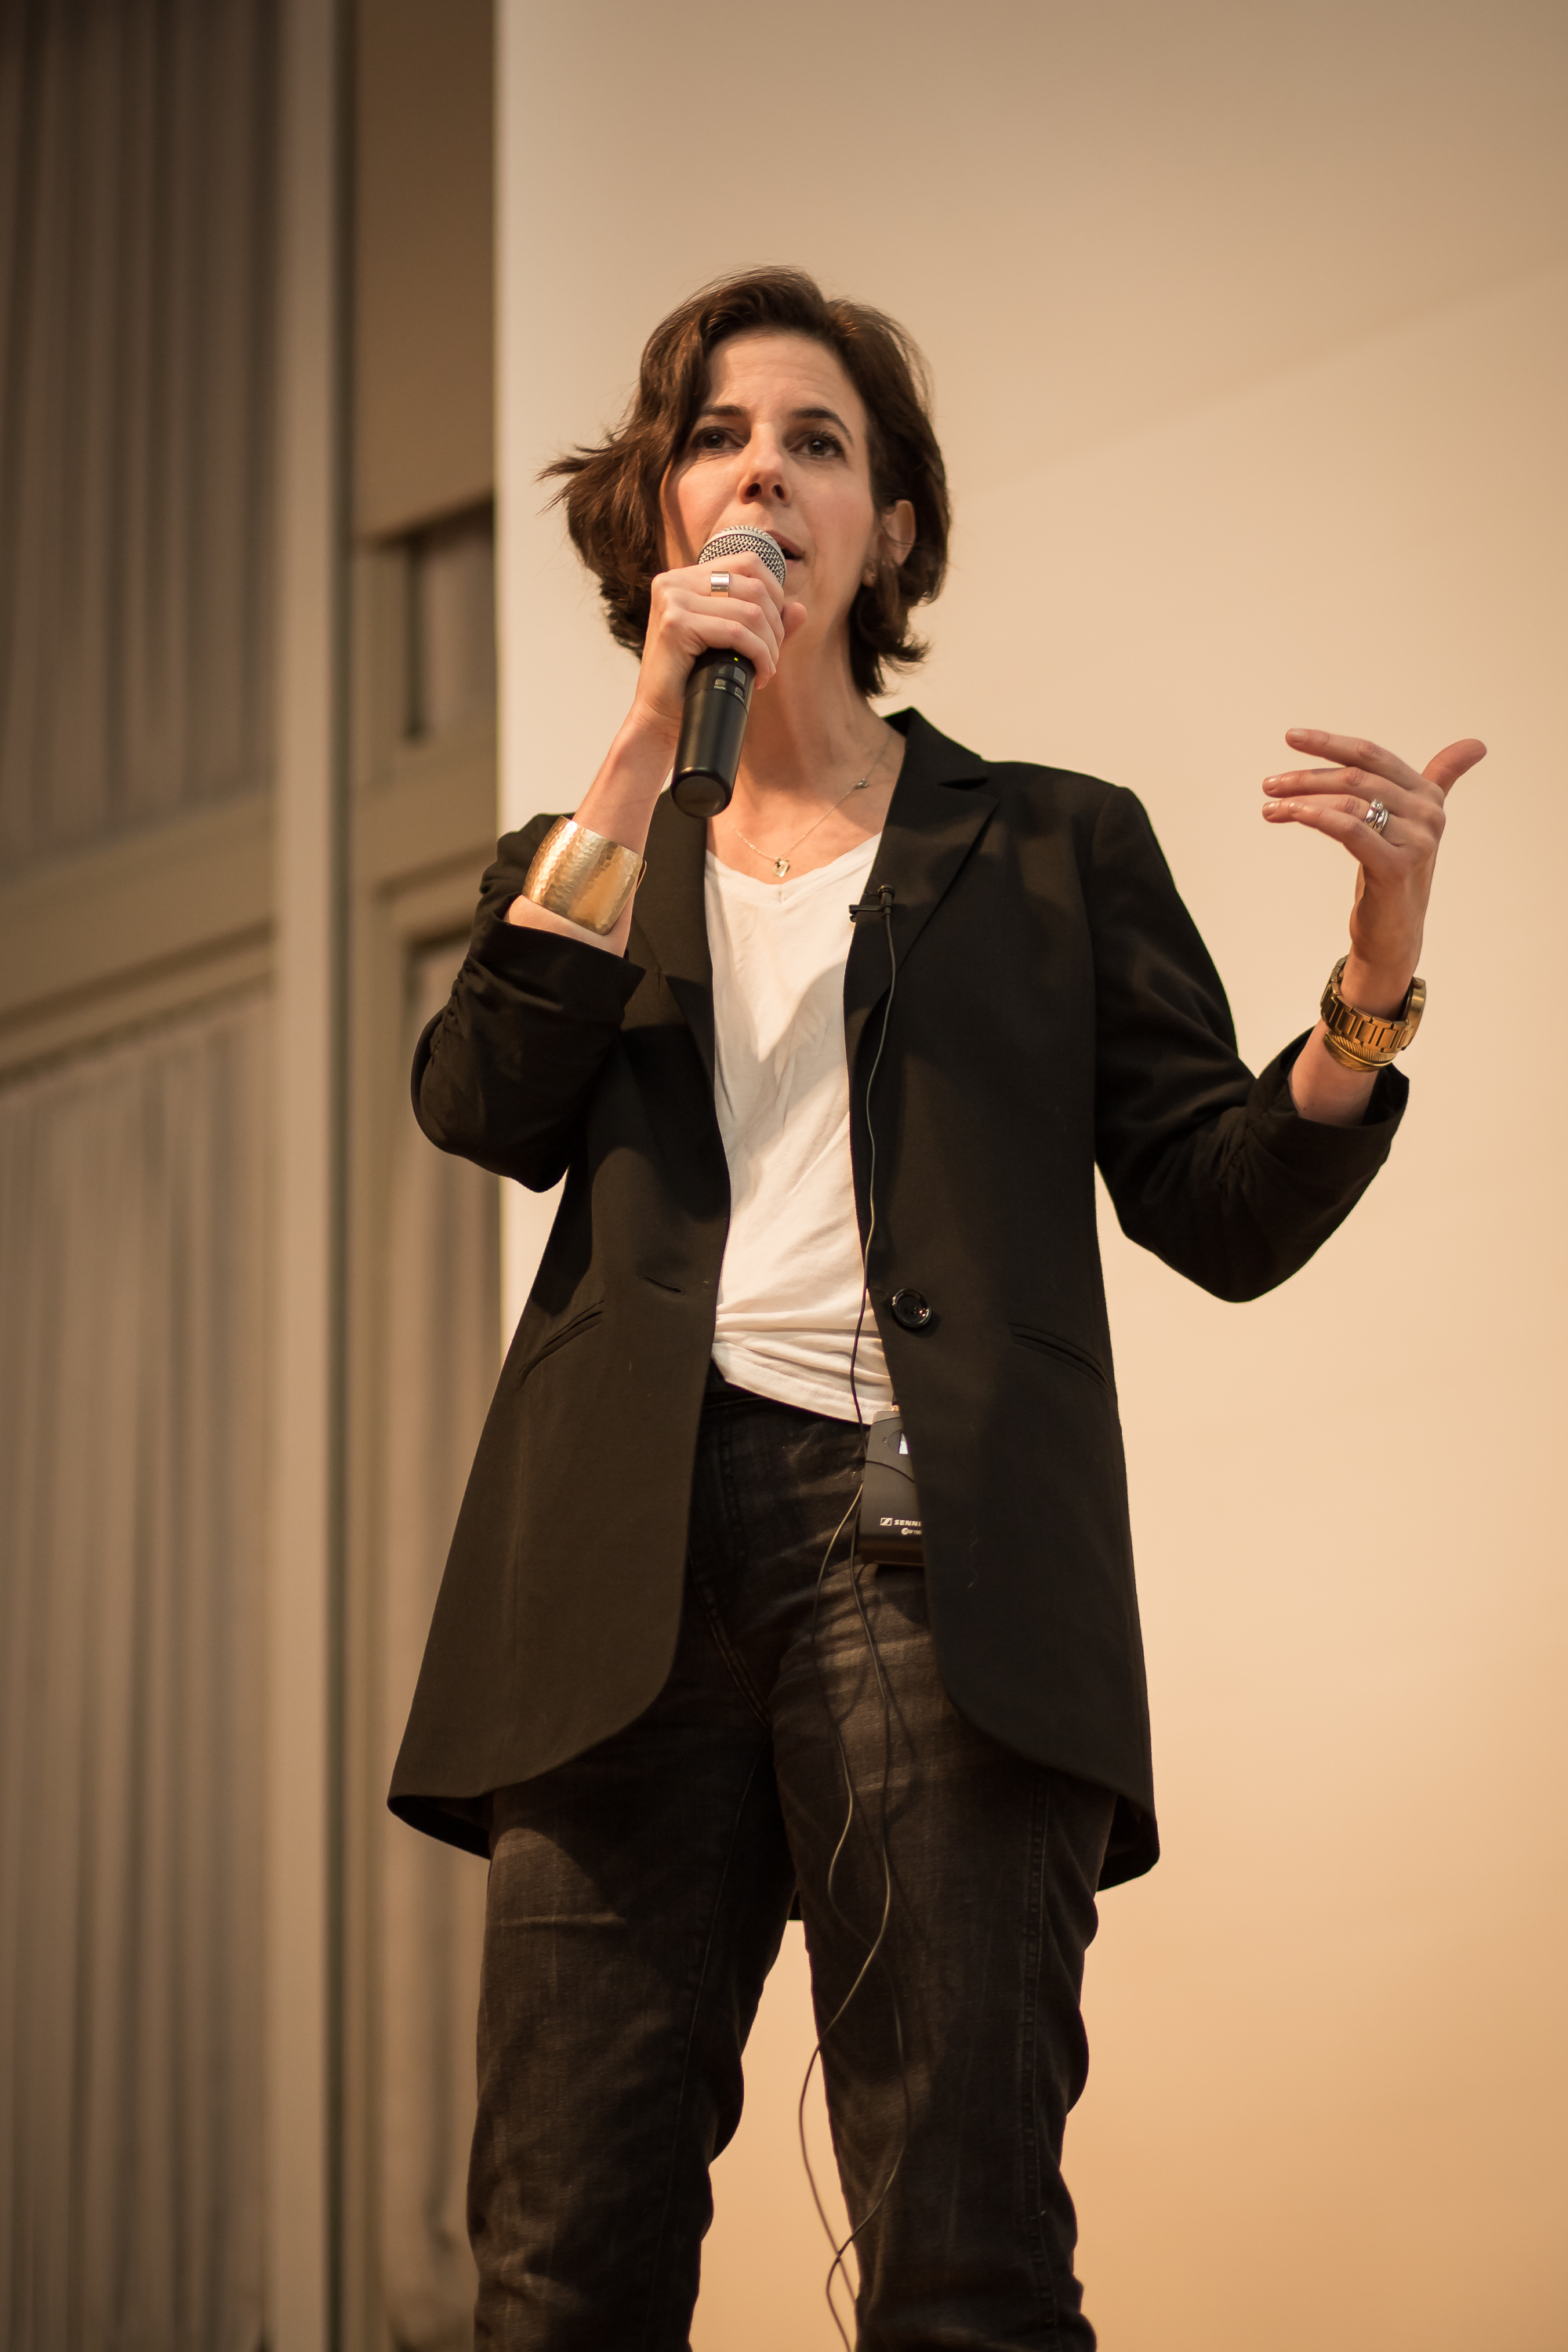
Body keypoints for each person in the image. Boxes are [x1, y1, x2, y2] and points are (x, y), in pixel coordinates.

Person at [390, 267, 1481, 2350]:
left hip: (929, 1557)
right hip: (615, 1573)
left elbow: (1221, 1204)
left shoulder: (1049, 846)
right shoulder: (586, 853)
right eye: (718, 441)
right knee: (555, 2272)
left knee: (964, 2263)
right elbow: (481, 1101)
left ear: (889, 529)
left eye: (815, 443)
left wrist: (1373, 978)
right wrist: (641, 745)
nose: (761, 477)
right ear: (659, 513)